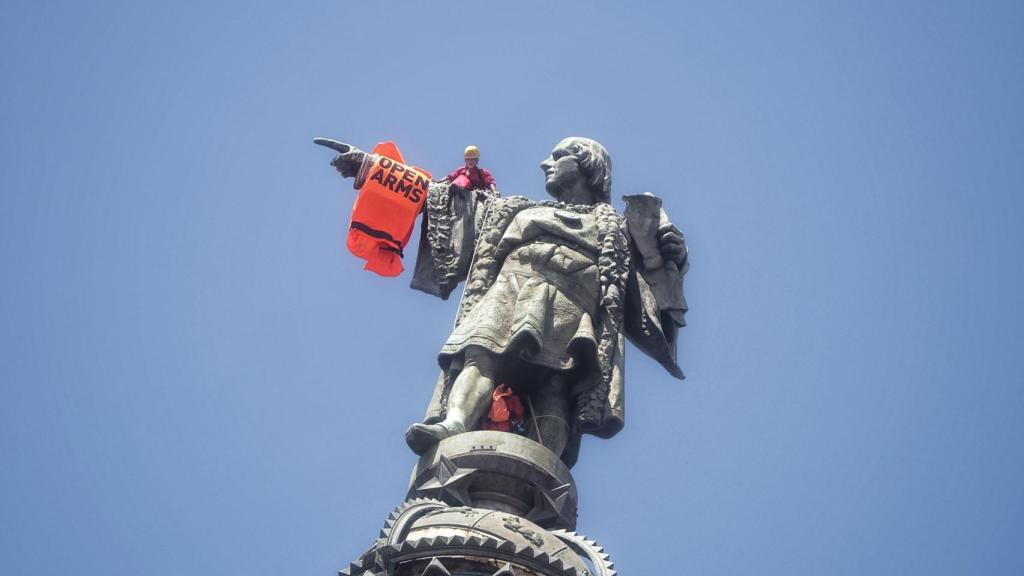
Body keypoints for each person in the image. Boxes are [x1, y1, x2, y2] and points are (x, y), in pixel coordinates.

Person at [404, 137, 688, 467]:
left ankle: (542, 459)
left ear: (587, 165)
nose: (545, 163)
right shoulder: (514, 209)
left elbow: (657, 281)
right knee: (480, 355)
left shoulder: (618, 227)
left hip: (573, 301)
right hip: (510, 289)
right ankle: (454, 423)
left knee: (556, 382)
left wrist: (660, 252)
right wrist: (372, 169)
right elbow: (446, 201)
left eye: (557, 156)